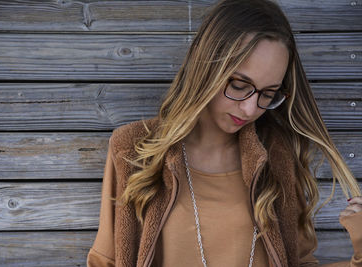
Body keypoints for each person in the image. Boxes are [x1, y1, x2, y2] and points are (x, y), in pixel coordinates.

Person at [87, 0, 362, 266]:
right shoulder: (133, 149)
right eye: (240, 84)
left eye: (268, 93)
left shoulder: (277, 156)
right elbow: (105, 262)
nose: (250, 108)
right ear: (206, 65)